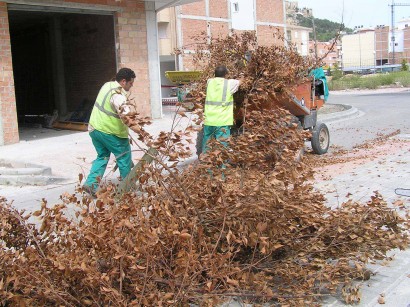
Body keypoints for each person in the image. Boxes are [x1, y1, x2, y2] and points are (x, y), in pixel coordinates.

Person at [83, 68, 136, 196]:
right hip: (111, 133)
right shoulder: (118, 95)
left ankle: (90, 184)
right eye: (131, 83)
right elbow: (127, 118)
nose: (132, 85)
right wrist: (142, 132)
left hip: (94, 129)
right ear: (123, 81)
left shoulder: (107, 85)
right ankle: (127, 190)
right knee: (124, 158)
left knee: (102, 156)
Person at [202, 65, 243, 153]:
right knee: (222, 149)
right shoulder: (229, 83)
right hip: (222, 122)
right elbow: (242, 81)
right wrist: (242, 76)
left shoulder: (209, 82)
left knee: (207, 147)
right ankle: (222, 167)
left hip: (208, 121)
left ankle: (205, 166)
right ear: (226, 74)